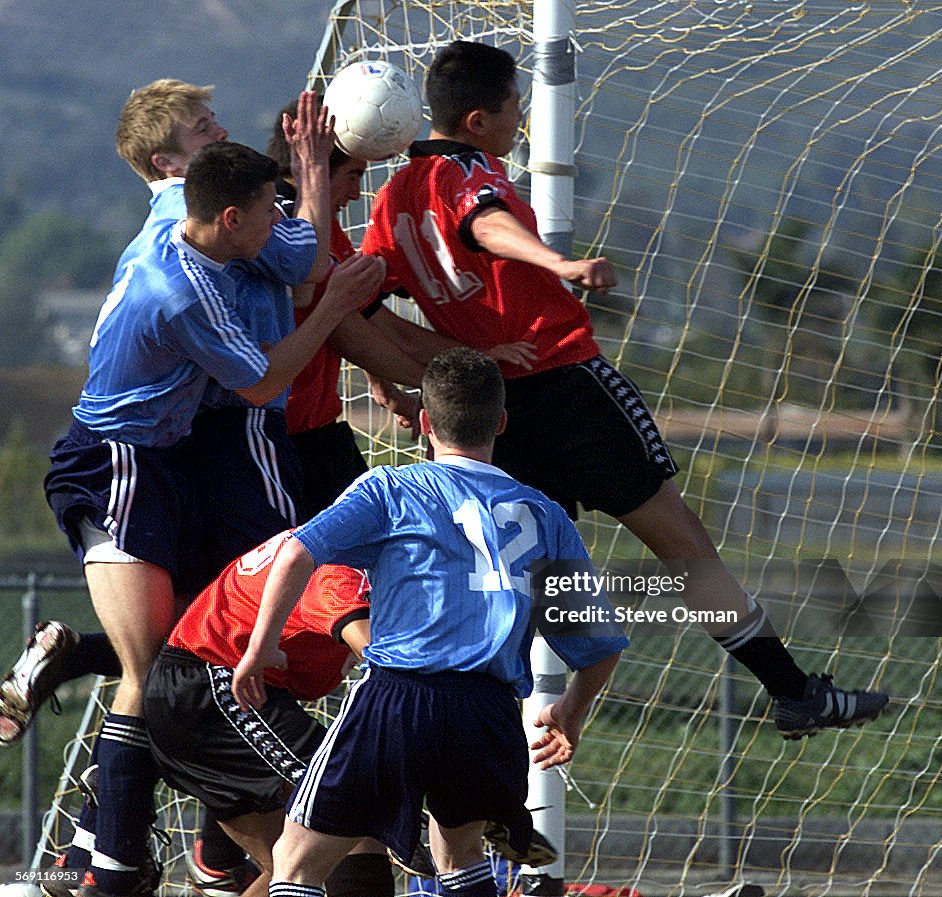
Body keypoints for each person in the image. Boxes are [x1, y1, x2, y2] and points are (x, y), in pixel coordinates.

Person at [359, 40, 888, 741]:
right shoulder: (467, 170)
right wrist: (560, 260)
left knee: (521, 585)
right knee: (685, 550)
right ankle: (793, 692)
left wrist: (394, 383)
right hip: (569, 387)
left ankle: (468, 741)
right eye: (516, 102)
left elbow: (358, 302)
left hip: (492, 413)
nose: (523, 115)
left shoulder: (392, 198)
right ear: (481, 118)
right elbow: (483, 222)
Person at [41, 140, 377, 897]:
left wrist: (314, 185)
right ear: (229, 218)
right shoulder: (181, 290)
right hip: (123, 454)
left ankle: (178, 854)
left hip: (174, 457)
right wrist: (333, 305)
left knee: (190, 642)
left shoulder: (180, 208)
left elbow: (296, 257)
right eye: (268, 211)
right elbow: (262, 382)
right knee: (155, 663)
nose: (279, 222)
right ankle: (110, 862)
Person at [230, 347, 628, 897]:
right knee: (462, 861)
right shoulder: (544, 513)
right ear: (502, 423)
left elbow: (296, 554)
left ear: (424, 422)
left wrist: (261, 646)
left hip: (399, 696)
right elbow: (599, 645)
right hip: (487, 713)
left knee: (295, 864)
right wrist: (570, 712)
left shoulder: (392, 488)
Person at [142, 531, 395, 897]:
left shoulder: (327, 541)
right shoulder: (339, 569)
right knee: (348, 815)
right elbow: (386, 670)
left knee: (296, 867)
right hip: (215, 687)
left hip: (203, 688)